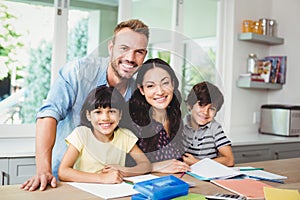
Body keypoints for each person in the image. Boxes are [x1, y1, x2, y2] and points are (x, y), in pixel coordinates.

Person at [21, 19, 149, 191]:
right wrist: (44, 169)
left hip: (110, 187)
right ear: (111, 48)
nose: (130, 58)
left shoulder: (138, 92)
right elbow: (48, 115)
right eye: (124, 48)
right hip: (62, 180)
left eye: (138, 52)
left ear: (144, 55)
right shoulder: (78, 72)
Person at [58, 86, 151, 183]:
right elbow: (63, 172)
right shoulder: (81, 134)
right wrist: (102, 178)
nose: (105, 118)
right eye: (98, 112)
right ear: (88, 115)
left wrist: (123, 170)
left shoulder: (125, 136)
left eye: (111, 111)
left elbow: (146, 165)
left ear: (120, 115)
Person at [126, 58, 190, 173]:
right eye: (151, 86)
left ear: (173, 84)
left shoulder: (175, 116)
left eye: (165, 83)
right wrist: (156, 167)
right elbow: (126, 167)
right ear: (141, 89)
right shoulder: (133, 123)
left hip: (180, 181)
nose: (160, 91)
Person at [181, 81, 235, 167]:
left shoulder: (214, 128)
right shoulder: (180, 126)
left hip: (206, 175)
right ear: (190, 106)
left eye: (212, 108)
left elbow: (229, 160)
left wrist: (197, 163)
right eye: (201, 105)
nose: (205, 112)